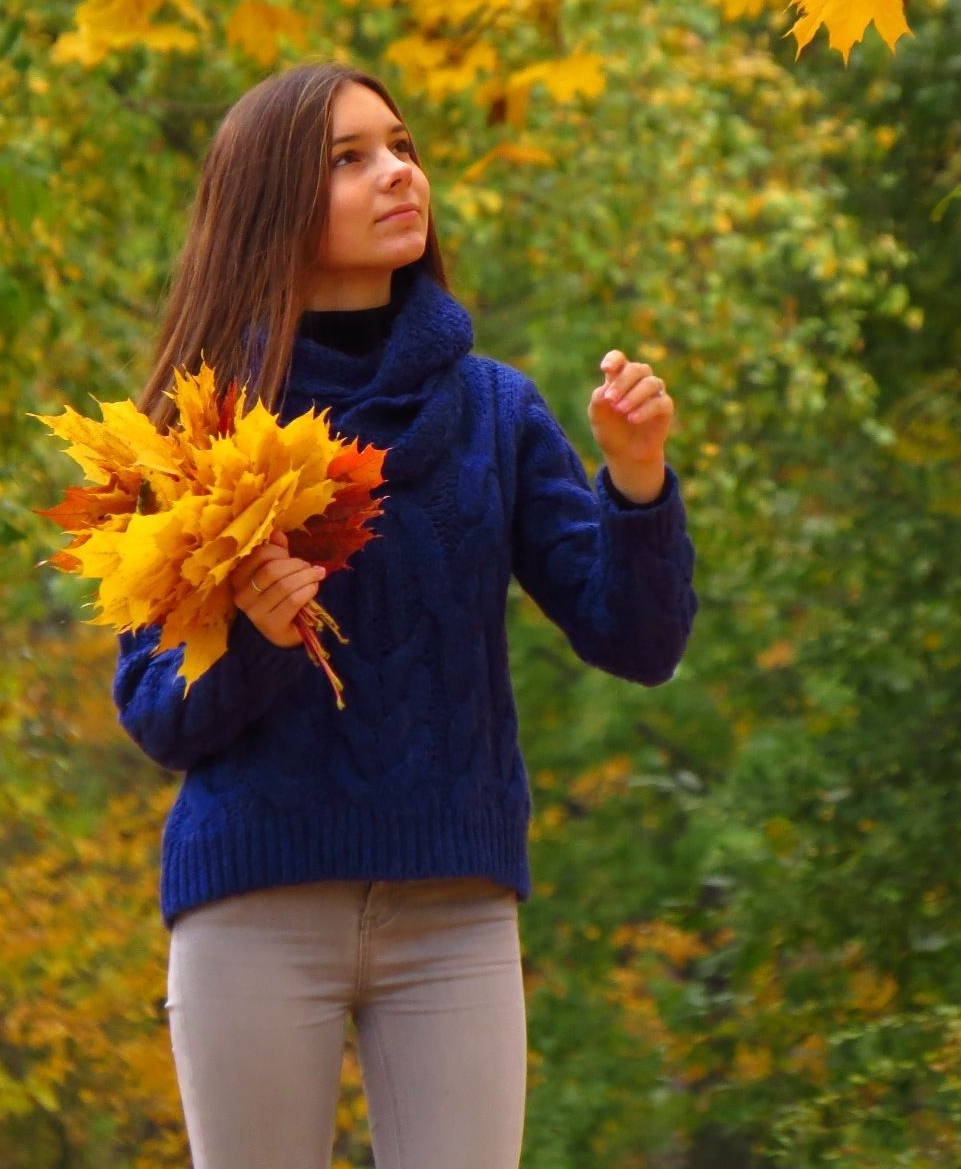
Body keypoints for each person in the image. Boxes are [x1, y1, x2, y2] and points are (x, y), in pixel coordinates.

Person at [112, 59, 700, 1169]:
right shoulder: (197, 430)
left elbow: (639, 640)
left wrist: (635, 479)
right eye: (350, 159)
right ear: (272, 204)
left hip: (455, 910)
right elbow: (154, 710)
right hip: (254, 900)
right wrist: (256, 643)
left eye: (402, 147)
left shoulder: (496, 410)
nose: (397, 175)